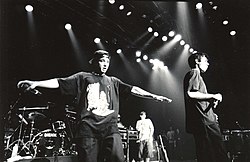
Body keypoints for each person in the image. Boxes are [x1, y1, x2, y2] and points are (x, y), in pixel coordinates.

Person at [17, 50, 172, 162]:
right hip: (88, 129)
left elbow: (133, 89)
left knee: (118, 159)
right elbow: (59, 82)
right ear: (95, 62)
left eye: (107, 61)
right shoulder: (83, 77)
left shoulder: (113, 81)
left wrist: (153, 96)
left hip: (110, 129)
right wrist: (36, 83)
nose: (105, 64)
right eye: (102, 61)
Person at [183, 52, 229, 162]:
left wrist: (211, 103)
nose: (208, 64)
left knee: (206, 152)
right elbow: (191, 94)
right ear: (196, 61)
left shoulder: (196, 75)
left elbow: (198, 97)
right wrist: (213, 95)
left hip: (204, 119)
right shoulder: (194, 73)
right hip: (205, 120)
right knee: (219, 151)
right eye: (205, 61)